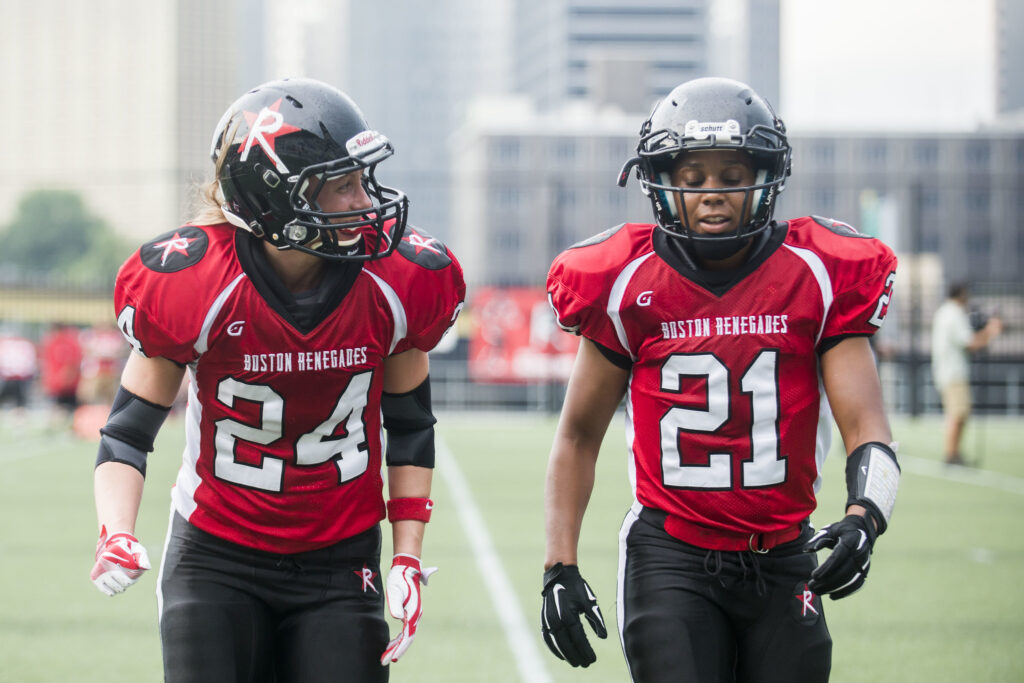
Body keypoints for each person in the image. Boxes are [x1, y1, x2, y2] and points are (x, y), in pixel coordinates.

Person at [89, 78, 465, 683]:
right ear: (277, 199)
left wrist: (406, 558)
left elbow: (412, 428)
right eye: (342, 185)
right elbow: (126, 434)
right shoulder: (196, 285)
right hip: (216, 556)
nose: (363, 199)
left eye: (360, 180)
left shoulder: (394, 284)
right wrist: (116, 532)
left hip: (341, 558)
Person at [540, 77, 901, 682]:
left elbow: (867, 425)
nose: (713, 195)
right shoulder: (626, 281)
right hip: (671, 555)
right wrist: (559, 565)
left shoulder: (816, 273)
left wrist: (866, 515)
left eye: (731, 178)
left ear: (764, 178)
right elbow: (577, 437)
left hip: (786, 553)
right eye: (693, 178)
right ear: (663, 182)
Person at [930, 282, 1001, 465]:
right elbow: (970, 343)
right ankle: (951, 454)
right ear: (961, 294)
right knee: (957, 413)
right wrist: (990, 332)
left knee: (959, 412)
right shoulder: (954, 314)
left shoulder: (944, 312)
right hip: (953, 372)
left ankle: (954, 453)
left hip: (947, 370)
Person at [40, 322, 83, 427]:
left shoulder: (65, 343)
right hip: (59, 383)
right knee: (60, 408)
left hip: (64, 383)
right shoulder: (53, 343)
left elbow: (74, 363)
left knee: (67, 408)